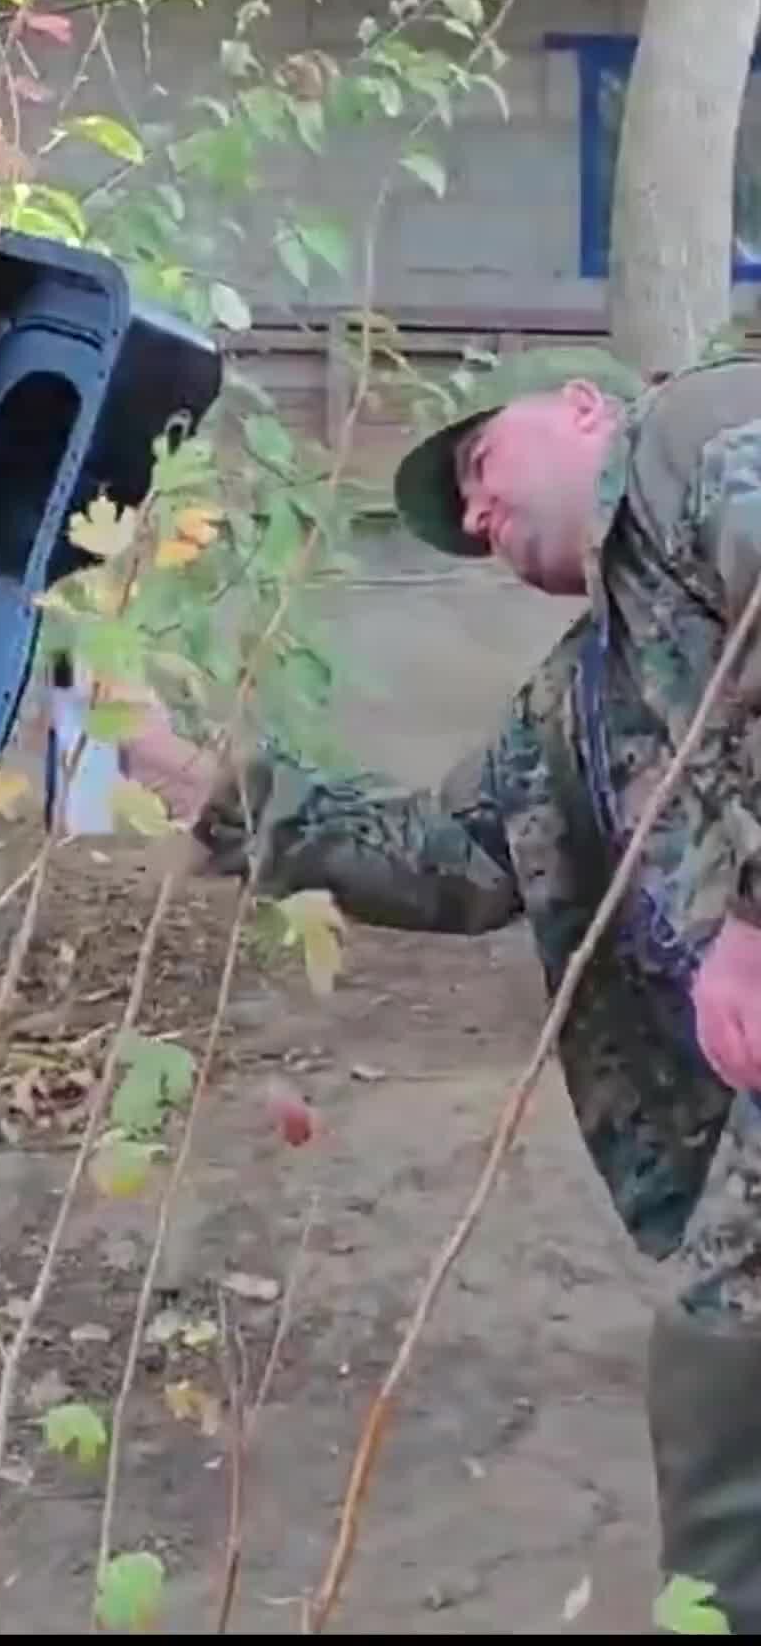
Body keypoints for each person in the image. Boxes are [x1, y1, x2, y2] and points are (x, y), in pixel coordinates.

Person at [191, 345, 761, 1632]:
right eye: (465, 517)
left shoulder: (693, 439)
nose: (481, 514)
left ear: (580, 408)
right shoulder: (577, 694)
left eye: (481, 463)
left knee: (722, 1352)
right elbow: (453, 860)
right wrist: (227, 798)